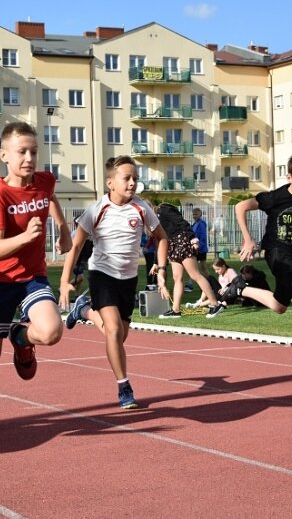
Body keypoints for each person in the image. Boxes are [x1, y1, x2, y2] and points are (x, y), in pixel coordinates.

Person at [0, 121, 71, 435]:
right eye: (21, 151)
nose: (28, 157)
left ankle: (21, 338)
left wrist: (63, 230)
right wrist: (26, 237)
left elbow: (50, 198)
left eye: (33, 151)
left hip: (32, 276)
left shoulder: (45, 180)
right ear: (4, 156)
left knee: (52, 331)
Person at [61, 155, 169, 409]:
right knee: (113, 331)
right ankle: (124, 387)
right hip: (101, 275)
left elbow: (162, 238)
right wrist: (65, 281)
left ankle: (84, 309)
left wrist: (161, 269)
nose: (132, 183)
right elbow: (76, 246)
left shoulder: (142, 208)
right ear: (111, 182)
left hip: (128, 278)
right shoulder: (96, 210)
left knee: (120, 336)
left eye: (135, 179)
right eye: (127, 178)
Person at [230, 150, 292, 375]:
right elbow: (240, 207)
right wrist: (248, 239)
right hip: (276, 253)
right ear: (290, 178)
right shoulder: (276, 197)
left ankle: (241, 289)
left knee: (280, 306)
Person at [156, 202, 225, 319]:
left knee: (195, 275)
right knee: (177, 278)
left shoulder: (164, 209)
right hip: (172, 244)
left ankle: (215, 304)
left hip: (182, 240)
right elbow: (159, 241)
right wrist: (155, 262)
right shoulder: (153, 219)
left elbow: (181, 222)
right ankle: (175, 310)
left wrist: (192, 237)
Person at [185, 208, 209, 292]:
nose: (194, 216)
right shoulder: (195, 224)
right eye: (193, 214)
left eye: (196, 214)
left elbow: (202, 237)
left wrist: (199, 247)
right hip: (196, 248)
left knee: (200, 268)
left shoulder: (201, 224)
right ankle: (191, 284)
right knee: (199, 267)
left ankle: (191, 285)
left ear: (200, 215)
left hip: (200, 249)